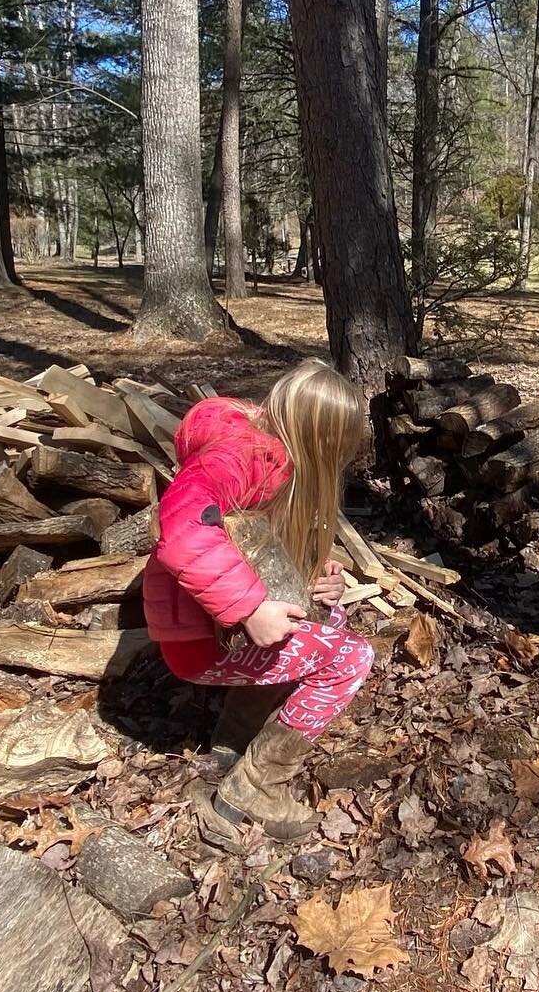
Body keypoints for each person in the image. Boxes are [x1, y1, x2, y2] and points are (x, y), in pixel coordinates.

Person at [144, 360, 376, 841]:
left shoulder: (271, 454)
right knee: (352, 658)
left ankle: (231, 744)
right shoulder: (241, 456)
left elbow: (260, 547)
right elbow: (184, 528)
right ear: (322, 437)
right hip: (200, 640)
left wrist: (317, 579)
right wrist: (248, 609)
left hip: (206, 631)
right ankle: (255, 788)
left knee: (323, 625)